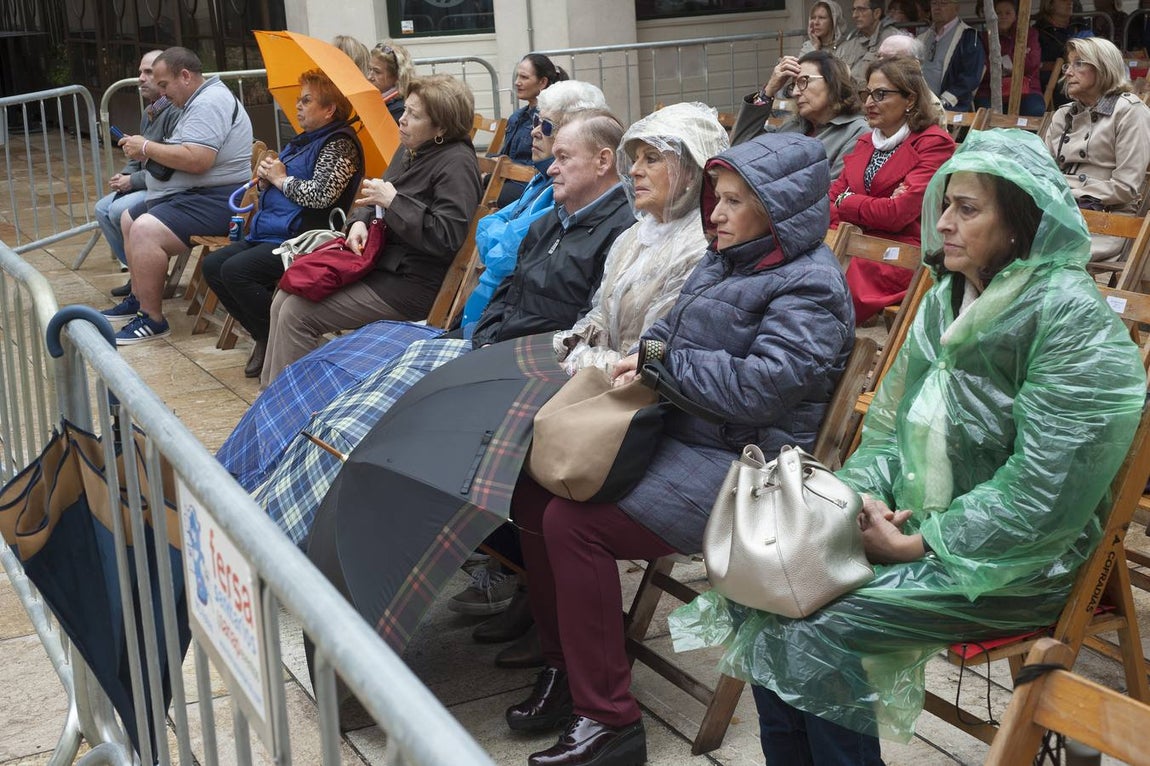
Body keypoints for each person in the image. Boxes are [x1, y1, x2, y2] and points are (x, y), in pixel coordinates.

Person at [669, 128, 1146, 765]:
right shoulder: (948, 297)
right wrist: (860, 500)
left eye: (967, 209)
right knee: (768, 590)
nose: (943, 222)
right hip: (928, 525)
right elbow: (890, 431)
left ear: (1019, 223)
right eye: (945, 204)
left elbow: (1045, 491)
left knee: (820, 626)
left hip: (1026, 560)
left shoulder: (1068, 319)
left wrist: (924, 541)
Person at [506, 131, 854, 766]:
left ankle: (608, 718)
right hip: (682, 432)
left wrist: (662, 362)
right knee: (534, 489)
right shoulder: (727, 258)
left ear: (778, 209)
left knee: (574, 524)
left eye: (733, 202)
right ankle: (567, 671)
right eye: (716, 198)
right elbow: (668, 332)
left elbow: (758, 391)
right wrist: (650, 356)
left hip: (746, 469)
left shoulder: (810, 287)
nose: (714, 213)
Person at [244, 111, 636, 550]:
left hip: (523, 360)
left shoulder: (619, 232)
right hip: (483, 340)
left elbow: (584, 328)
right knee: (354, 395)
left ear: (603, 162)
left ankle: (346, 539)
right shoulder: (553, 219)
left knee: (383, 415)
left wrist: (395, 204)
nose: (552, 165)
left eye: (564, 155)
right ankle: (292, 519)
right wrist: (483, 338)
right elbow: (507, 290)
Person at [260, 74, 482, 386]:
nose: (402, 120)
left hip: (411, 284)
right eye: (404, 110)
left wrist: (394, 203)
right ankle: (271, 397)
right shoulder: (411, 149)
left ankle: (289, 410)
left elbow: (446, 236)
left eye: (414, 115)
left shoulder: (457, 163)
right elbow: (373, 196)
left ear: (442, 128)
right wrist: (359, 221)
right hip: (379, 265)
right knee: (287, 292)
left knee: (297, 312)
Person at [201, 70, 363, 379]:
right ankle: (265, 333)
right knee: (214, 266)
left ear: (329, 109)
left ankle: (273, 336)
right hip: (272, 230)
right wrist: (264, 183)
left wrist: (280, 178)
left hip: (306, 238)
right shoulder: (301, 141)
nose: (298, 106)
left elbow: (321, 196)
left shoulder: (341, 144)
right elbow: (278, 186)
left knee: (236, 272)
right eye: (299, 99)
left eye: (307, 100)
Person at [101, 46, 253, 345]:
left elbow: (197, 159)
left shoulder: (209, 103)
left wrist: (146, 148)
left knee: (145, 230)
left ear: (185, 76)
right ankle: (140, 298)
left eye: (164, 84)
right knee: (130, 218)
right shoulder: (197, 100)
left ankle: (152, 319)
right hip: (198, 194)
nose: (162, 92)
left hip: (218, 199)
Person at [461, 80, 608, 336]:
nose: (535, 132)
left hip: (500, 325)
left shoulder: (566, 192)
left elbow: (504, 254)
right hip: (487, 316)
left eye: (547, 126)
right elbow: (485, 229)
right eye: (536, 121)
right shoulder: (539, 179)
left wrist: (501, 232)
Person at [829, 56, 955, 323]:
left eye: (881, 94)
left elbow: (898, 213)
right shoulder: (866, 142)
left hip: (899, 255)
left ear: (909, 99)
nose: (869, 103)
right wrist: (865, 204)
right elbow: (830, 200)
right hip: (857, 246)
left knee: (822, 288)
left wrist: (848, 201)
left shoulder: (933, 143)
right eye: (867, 93)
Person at [1042, 36, 1150, 263]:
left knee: (1026, 252)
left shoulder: (1129, 111)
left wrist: (1064, 189)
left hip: (1104, 222)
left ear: (1103, 67)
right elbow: (1041, 174)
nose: (1068, 72)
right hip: (1058, 216)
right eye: (1068, 65)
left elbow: (1125, 188)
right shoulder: (1064, 114)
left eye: (1079, 63)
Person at [95, 50, 181, 299]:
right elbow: (137, 154)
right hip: (148, 181)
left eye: (148, 72)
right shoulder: (150, 112)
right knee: (102, 209)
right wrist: (124, 177)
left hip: (165, 184)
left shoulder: (174, 112)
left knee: (116, 211)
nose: (141, 78)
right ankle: (138, 274)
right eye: (140, 72)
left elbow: (170, 164)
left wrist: (132, 181)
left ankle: (147, 278)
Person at [731, 50, 868, 177]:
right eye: (793, 85)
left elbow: (834, 192)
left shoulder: (857, 132)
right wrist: (769, 90)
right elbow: (740, 149)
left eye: (804, 81)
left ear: (833, 83)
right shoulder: (793, 126)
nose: (795, 92)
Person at [489, 54, 568, 207]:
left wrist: (492, 174)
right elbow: (507, 156)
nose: (517, 82)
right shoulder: (516, 117)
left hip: (530, 182)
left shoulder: (549, 121)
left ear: (542, 82)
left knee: (483, 191)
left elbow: (538, 167)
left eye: (524, 77)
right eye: (517, 76)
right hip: (509, 177)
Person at [975, 0, 1046, 116]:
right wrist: (1014, 63)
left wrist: (999, 64)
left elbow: (1031, 63)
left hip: (1027, 89)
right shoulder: (982, 38)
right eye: (998, 13)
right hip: (989, 90)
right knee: (986, 117)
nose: (1003, 17)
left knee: (1034, 111)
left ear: (1015, 15)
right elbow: (983, 69)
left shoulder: (1029, 34)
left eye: (1008, 13)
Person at [918, 0, 986, 111]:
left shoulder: (969, 37)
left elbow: (971, 77)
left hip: (951, 106)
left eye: (943, 3)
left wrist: (944, 101)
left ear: (956, 7)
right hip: (921, 103)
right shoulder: (922, 37)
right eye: (934, 3)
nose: (937, 7)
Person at [1035, 0, 1093, 106]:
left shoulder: (1081, 25)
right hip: (1054, 78)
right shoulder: (1039, 31)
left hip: (1083, 72)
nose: (1069, 2)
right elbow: (1037, 63)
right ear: (1050, 4)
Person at [837, 0, 903, 83]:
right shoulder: (846, 46)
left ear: (877, 13)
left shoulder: (894, 41)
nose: (854, 15)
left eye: (861, 9)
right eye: (853, 10)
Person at [367, 40, 415, 124]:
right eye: (370, 69)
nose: (369, 77)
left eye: (377, 72)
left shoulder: (400, 110)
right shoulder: (376, 98)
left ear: (397, 76)